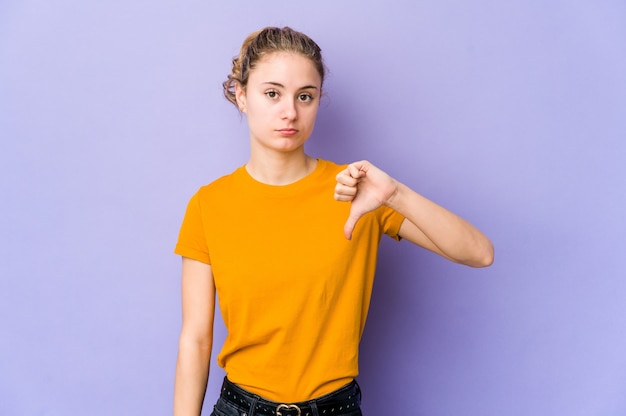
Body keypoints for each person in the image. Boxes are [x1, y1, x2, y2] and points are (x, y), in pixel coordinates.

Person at [173, 26, 494, 416]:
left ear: (318, 100)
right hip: (240, 407)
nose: (289, 111)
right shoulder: (209, 204)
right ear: (242, 96)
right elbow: (196, 339)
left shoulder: (357, 190)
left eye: (304, 96)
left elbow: (479, 253)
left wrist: (394, 194)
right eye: (272, 93)